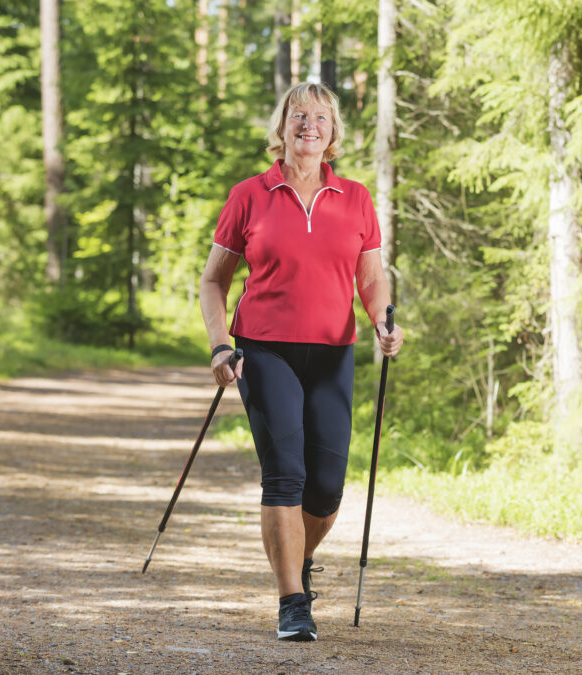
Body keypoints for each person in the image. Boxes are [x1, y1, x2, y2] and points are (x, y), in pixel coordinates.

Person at [199, 82, 403, 642]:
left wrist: (385, 320)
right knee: (285, 475)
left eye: (320, 117)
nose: (308, 124)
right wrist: (221, 345)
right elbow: (214, 280)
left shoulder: (356, 198)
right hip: (265, 348)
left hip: (334, 351)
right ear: (282, 126)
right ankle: (293, 600)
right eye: (297, 115)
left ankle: (296, 558)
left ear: (333, 133)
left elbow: (371, 277)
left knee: (327, 489)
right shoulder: (250, 195)